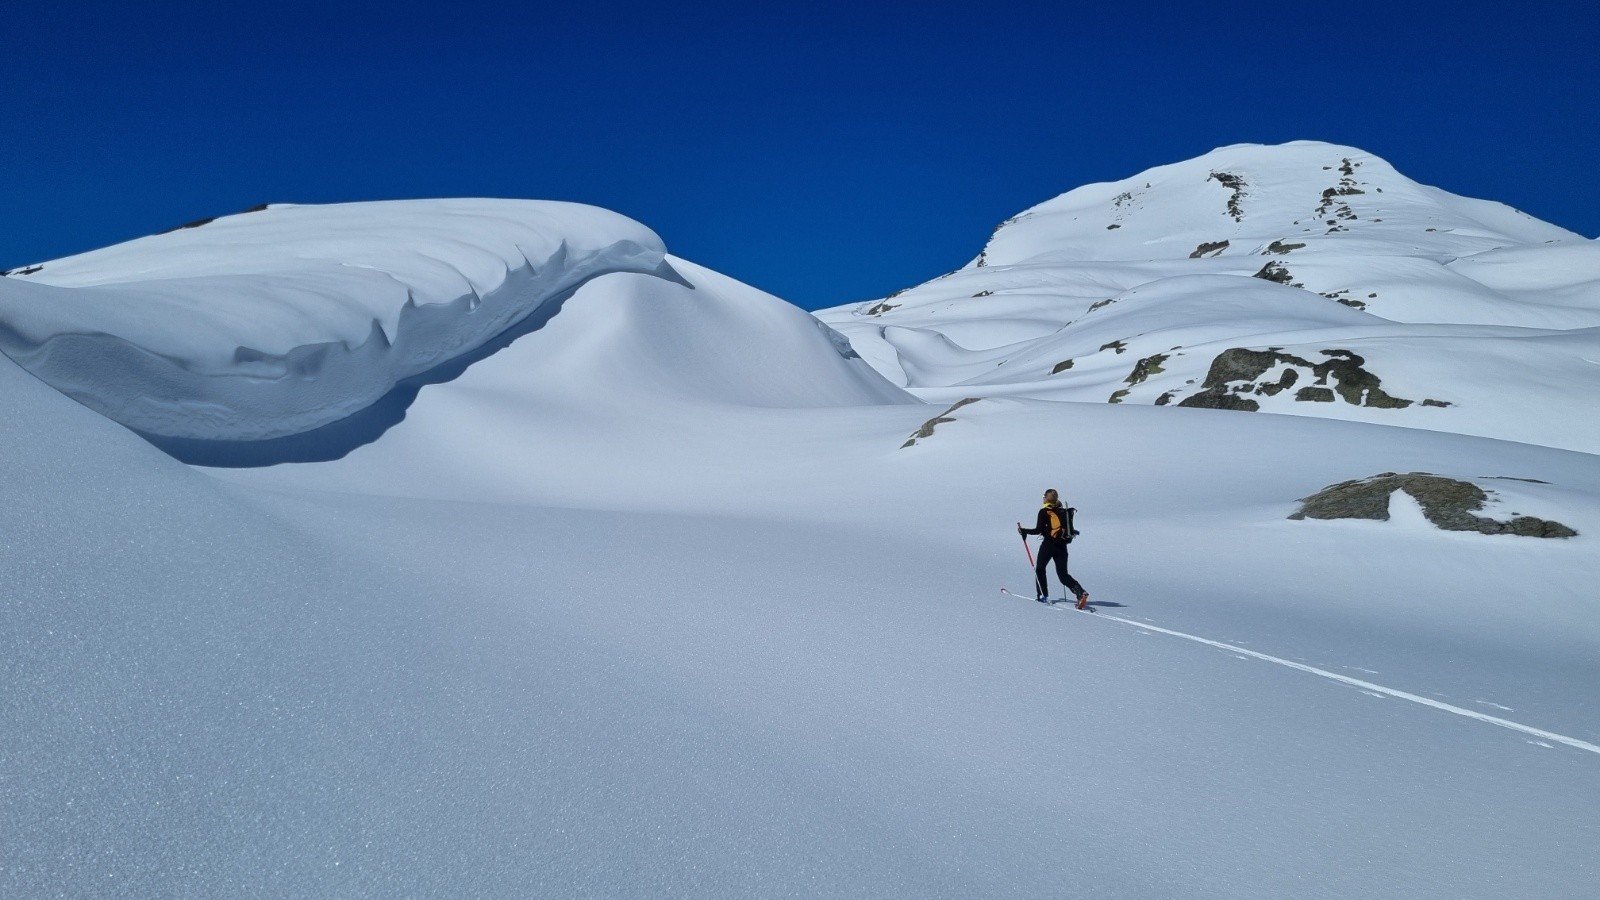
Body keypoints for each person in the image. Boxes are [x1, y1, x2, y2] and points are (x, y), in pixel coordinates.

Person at [1018, 489, 1089, 608]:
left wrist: (1024, 531)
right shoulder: (1062, 511)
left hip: (1048, 545)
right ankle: (1080, 592)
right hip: (1062, 546)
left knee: (1040, 569)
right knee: (1063, 575)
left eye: (1043, 496)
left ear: (1046, 498)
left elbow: (1038, 530)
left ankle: (1042, 596)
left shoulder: (1044, 511)